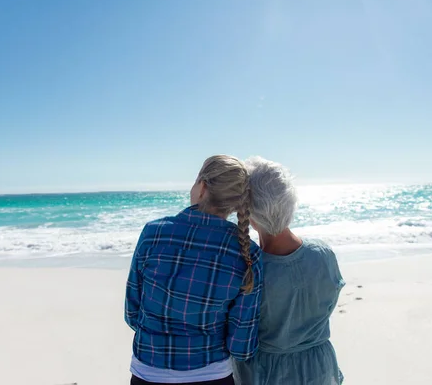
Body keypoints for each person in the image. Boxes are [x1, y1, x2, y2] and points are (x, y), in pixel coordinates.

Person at [125, 155, 263, 385]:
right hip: (213, 376)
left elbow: (132, 313)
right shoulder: (247, 252)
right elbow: (241, 346)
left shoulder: (153, 233)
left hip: (148, 374)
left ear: (202, 187)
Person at [233, 157, 344, 385]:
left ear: (250, 216)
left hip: (264, 373)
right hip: (318, 366)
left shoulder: (249, 269)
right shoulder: (323, 254)